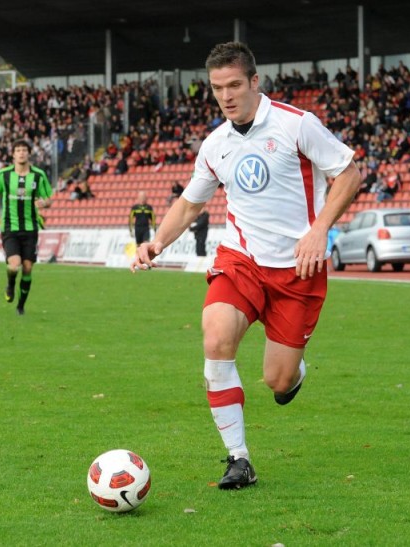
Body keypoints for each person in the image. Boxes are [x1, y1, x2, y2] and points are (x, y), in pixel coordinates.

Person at [131, 41, 361, 490]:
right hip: (241, 261)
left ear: (255, 82)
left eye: (234, 84)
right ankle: (239, 459)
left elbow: (349, 173)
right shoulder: (215, 144)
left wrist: (320, 230)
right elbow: (190, 203)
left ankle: (293, 375)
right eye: (218, 88)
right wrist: (156, 242)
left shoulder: (298, 125)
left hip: (298, 269)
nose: (226, 95)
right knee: (215, 335)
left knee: (277, 380)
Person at [0, 139, 53, 316]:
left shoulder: (38, 175)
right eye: (18, 150)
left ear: (29, 154)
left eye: (24, 150)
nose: (21, 153)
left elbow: (49, 199)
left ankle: (21, 306)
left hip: (31, 228)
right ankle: (10, 285)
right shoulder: (5, 174)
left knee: (27, 268)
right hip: (10, 227)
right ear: (13, 154)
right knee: (14, 264)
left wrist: (44, 203)